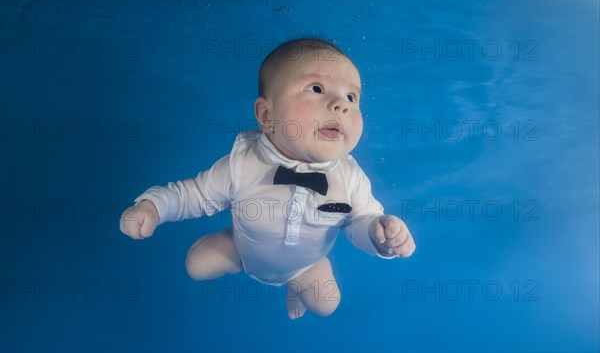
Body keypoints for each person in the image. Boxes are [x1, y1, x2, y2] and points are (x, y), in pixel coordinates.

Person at [120, 38, 416, 319]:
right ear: (266, 115)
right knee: (195, 266)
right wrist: (153, 207)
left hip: (304, 265)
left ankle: (297, 285)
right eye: (316, 88)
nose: (342, 105)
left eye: (352, 96)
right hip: (245, 249)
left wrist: (379, 235)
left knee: (327, 305)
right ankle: (227, 239)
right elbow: (192, 195)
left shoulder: (350, 179)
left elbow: (360, 221)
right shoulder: (243, 165)